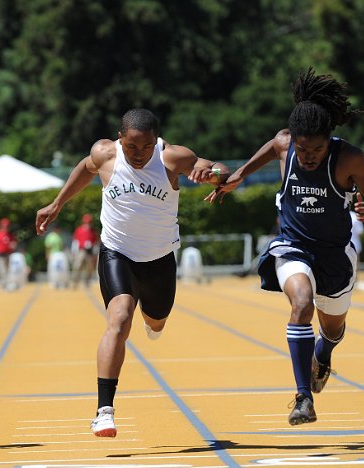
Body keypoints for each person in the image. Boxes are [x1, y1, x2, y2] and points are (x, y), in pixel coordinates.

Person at [207, 68, 364, 426]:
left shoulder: (350, 159)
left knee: (332, 329)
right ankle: (303, 397)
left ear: (330, 139)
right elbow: (250, 166)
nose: (308, 156)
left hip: (335, 254)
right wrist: (234, 180)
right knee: (301, 302)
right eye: (303, 149)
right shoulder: (283, 144)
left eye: (317, 149)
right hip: (292, 246)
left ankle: (325, 352)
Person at [35, 108, 227, 437]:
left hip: (159, 258)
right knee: (120, 318)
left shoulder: (174, 158)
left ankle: (154, 321)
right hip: (116, 252)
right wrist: (58, 204)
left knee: (155, 320)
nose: (139, 155)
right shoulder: (104, 153)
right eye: (132, 147)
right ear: (119, 138)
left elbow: (213, 168)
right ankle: (104, 411)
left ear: (157, 141)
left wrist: (216, 175)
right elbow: (85, 168)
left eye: (146, 147)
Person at [71, 213, 99, 287]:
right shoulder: (79, 230)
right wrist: (74, 251)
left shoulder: (93, 231)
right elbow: (75, 241)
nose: (88, 224)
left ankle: (87, 282)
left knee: (89, 267)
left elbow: (95, 242)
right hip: (81, 250)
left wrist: (95, 252)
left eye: (89, 222)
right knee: (78, 266)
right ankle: (74, 282)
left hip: (90, 251)